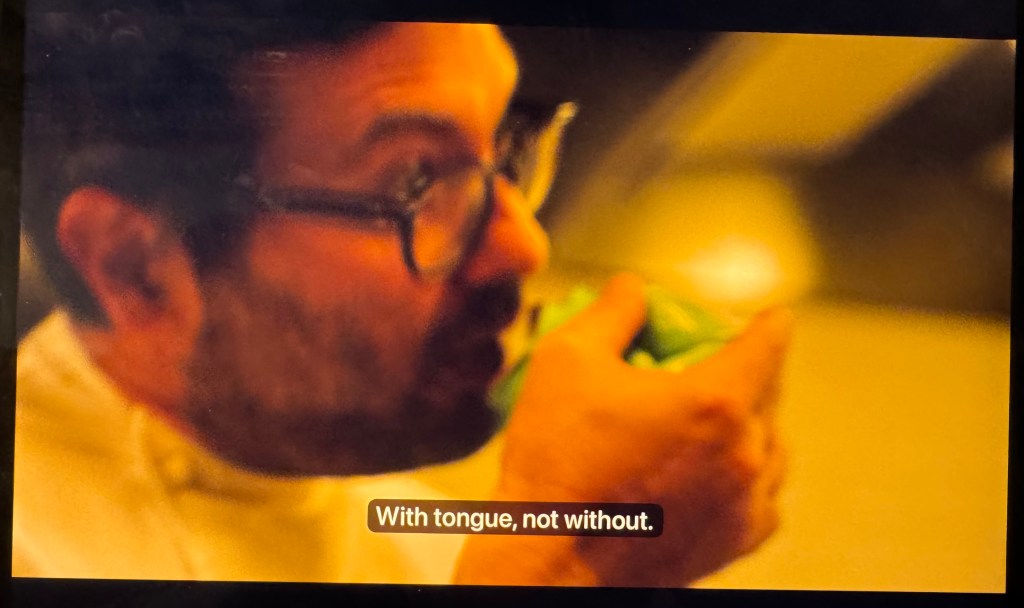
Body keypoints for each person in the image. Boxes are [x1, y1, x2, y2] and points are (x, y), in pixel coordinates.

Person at [14, 3, 792, 586]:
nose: (525, 245)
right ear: (133, 265)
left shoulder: (438, 551)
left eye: (509, 152)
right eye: (416, 181)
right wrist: (564, 566)